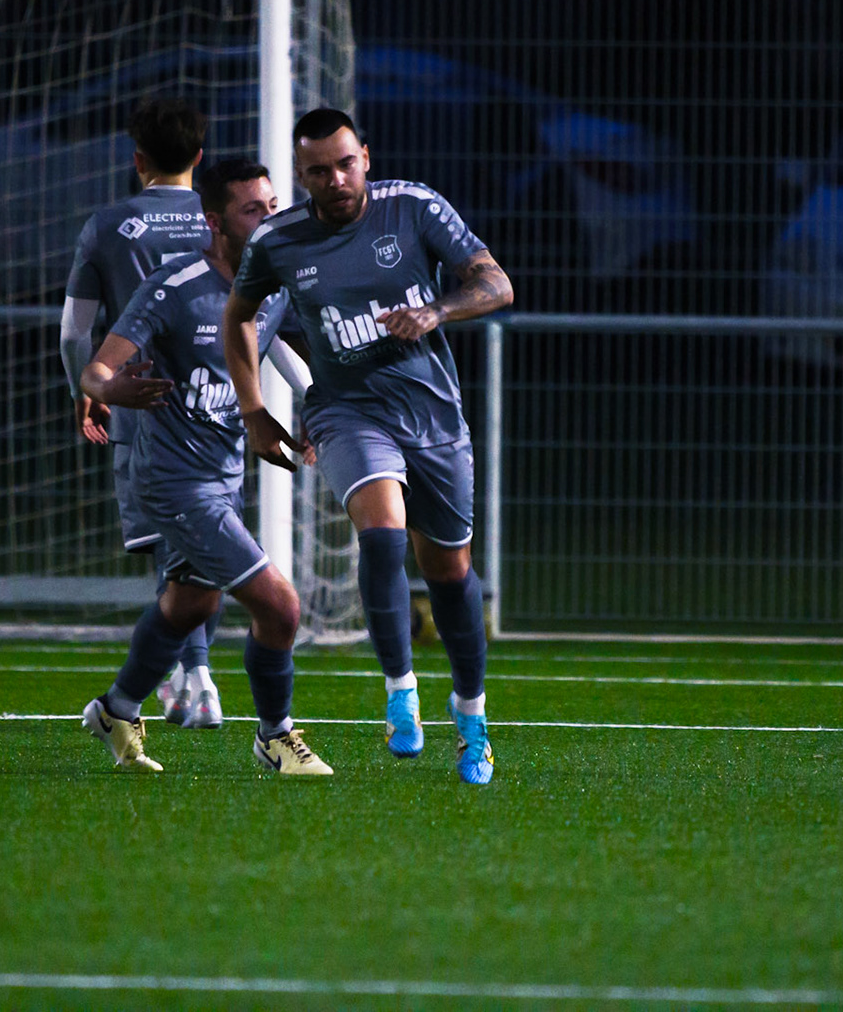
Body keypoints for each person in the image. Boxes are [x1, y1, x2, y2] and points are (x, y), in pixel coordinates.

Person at [223, 108, 513, 785]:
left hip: (432, 412)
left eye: (345, 163)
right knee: (382, 536)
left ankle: (471, 715)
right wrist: (253, 411)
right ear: (302, 177)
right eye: (318, 171)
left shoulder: (412, 208)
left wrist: (437, 311)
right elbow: (238, 317)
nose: (336, 178)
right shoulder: (279, 240)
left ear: (366, 158)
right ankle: (400, 691)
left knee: (449, 571)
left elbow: (496, 282)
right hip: (347, 411)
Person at [78, 157, 332, 777]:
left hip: (223, 477)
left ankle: (116, 708)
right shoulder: (175, 286)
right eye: (254, 209)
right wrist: (110, 391)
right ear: (215, 222)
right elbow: (96, 368)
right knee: (281, 608)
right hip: (174, 483)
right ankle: (275, 736)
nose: (270, 217)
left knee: (191, 605)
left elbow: (296, 348)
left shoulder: (269, 285)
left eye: (273, 205)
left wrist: (318, 407)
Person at [58, 98, 222, 727]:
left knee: (170, 543)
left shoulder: (107, 225)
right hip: (215, 402)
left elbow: (75, 332)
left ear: (138, 159)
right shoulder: (220, 223)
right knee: (200, 534)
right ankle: (195, 675)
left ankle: (194, 677)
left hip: (141, 400)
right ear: (200, 157)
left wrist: (87, 387)